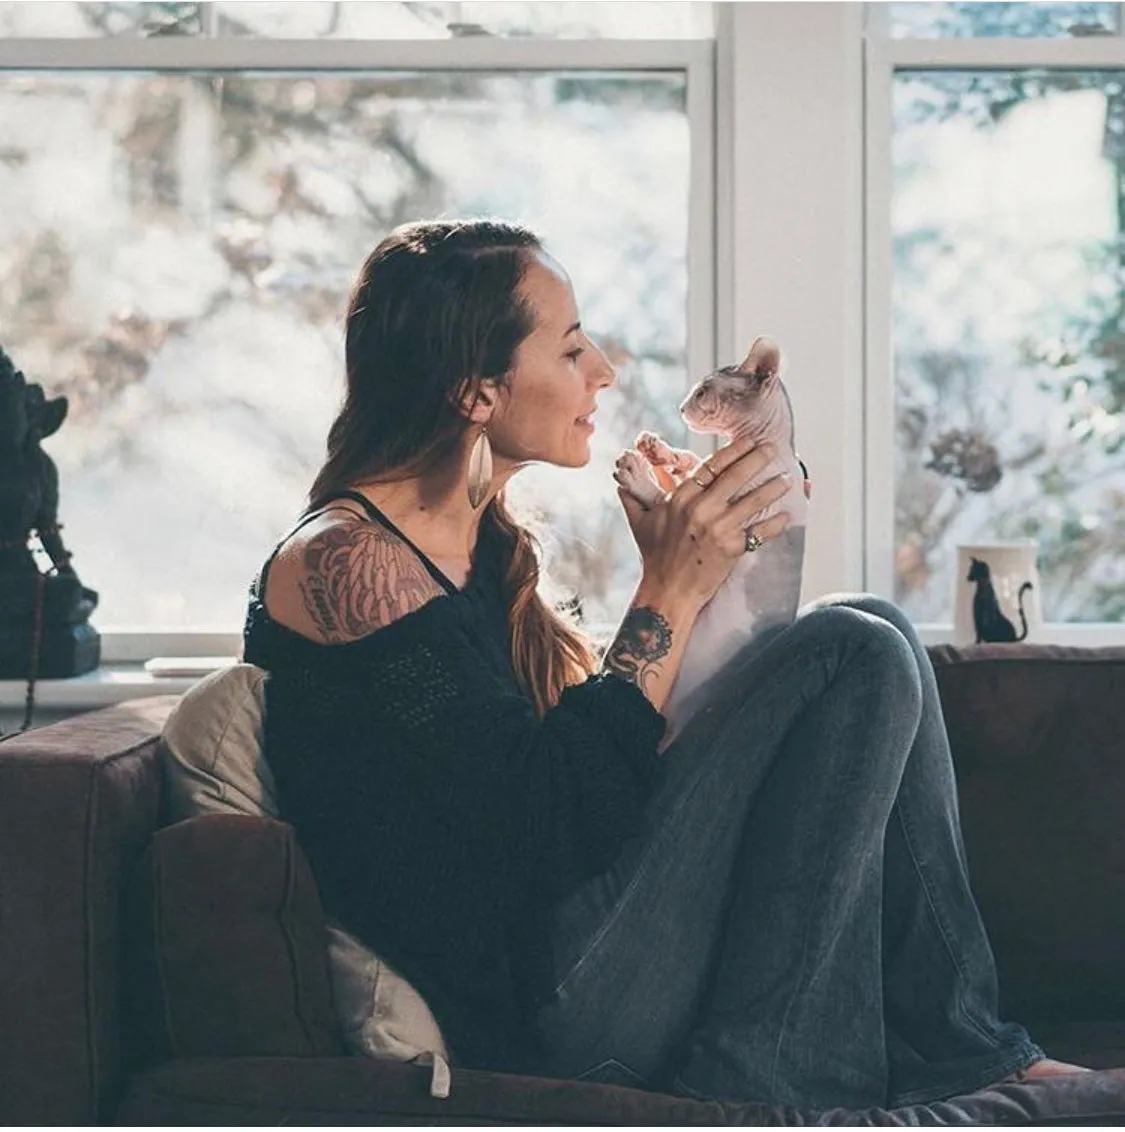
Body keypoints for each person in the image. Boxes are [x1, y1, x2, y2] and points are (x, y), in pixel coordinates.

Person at [242, 218, 1088, 1109]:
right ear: (473, 390)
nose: (602, 369)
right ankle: (793, 1074)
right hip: (542, 1013)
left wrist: (703, 577)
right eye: (569, 349)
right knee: (856, 647)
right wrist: (666, 592)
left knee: (868, 626)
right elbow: (541, 832)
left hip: (591, 955)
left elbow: (618, 775)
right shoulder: (348, 562)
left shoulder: (472, 550)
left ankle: (951, 1053)